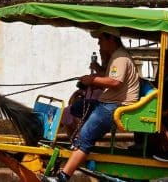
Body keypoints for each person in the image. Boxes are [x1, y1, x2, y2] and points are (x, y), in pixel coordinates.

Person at [46, 27, 140, 182]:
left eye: (101, 39)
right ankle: (77, 150)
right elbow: (109, 77)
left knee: (84, 137)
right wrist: (96, 73)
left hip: (115, 106)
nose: (99, 43)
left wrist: (92, 80)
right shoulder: (116, 56)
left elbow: (115, 82)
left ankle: (63, 177)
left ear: (111, 39)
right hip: (108, 102)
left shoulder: (120, 58)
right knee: (75, 108)